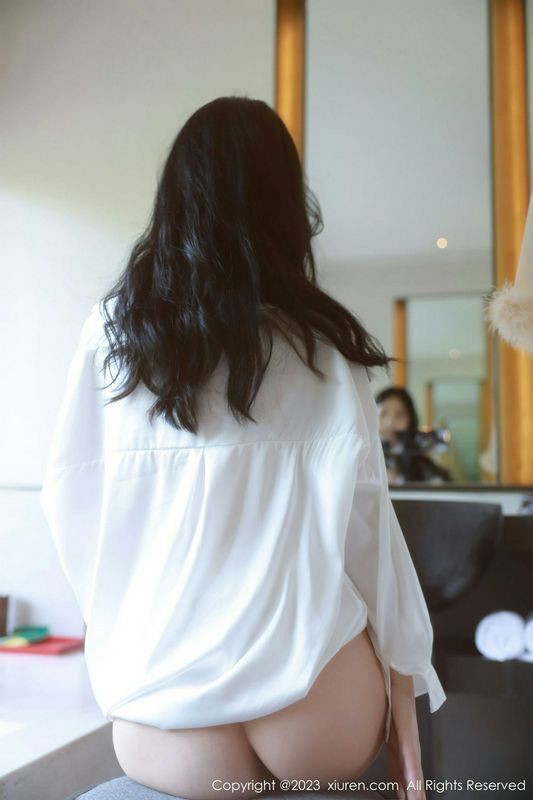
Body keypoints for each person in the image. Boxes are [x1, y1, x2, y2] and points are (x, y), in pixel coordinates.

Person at [40, 96, 446, 800]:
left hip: (169, 709)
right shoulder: (322, 348)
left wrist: (128, 630)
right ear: (287, 208)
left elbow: (70, 499)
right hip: (314, 698)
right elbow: (368, 538)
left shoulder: (112, 337)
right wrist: (407, 697)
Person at [376, 387, 452, 484]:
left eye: (399, 415)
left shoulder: (427, 471)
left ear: (410, 420)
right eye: (383, 413)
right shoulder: (363, 458)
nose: (390, 422)